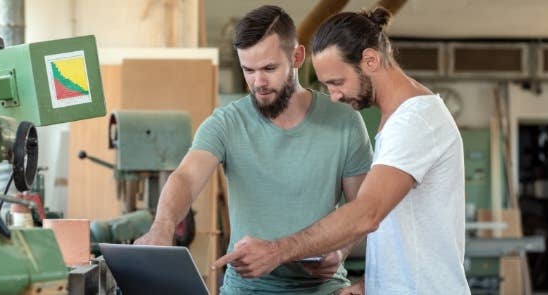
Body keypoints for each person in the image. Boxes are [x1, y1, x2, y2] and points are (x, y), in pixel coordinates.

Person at [213, 7, 470, 295]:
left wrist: (277, 251)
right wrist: (369, 285)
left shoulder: (415, 120)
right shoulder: (398, 120)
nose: (334, 96)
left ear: (370, 60)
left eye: (337, 82)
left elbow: (366, 213)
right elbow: (401, 233)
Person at [134, 5, 373, 295]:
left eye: (269, 68)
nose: (258, 82)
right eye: (248, 70)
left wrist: (340, 251)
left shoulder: (344, 121)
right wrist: (163, 226)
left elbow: (361, 209)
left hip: (323, 287)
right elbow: (186, 177)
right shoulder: (226, 122)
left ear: (296, 57)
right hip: (246, 289)